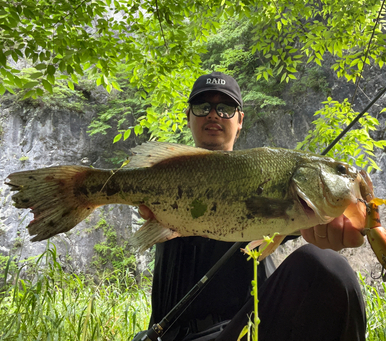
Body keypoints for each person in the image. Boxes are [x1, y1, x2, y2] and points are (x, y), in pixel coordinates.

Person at [134, 72, 366, 341]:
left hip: (250, 331)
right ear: (188, 117)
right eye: (202, 107)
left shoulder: (275, 184)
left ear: (240, 119)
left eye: (225, 108)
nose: (213, 114)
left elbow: (316, 223)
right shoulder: (165, 177)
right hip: (173, 336)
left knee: (329, 267)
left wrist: (335, 224)